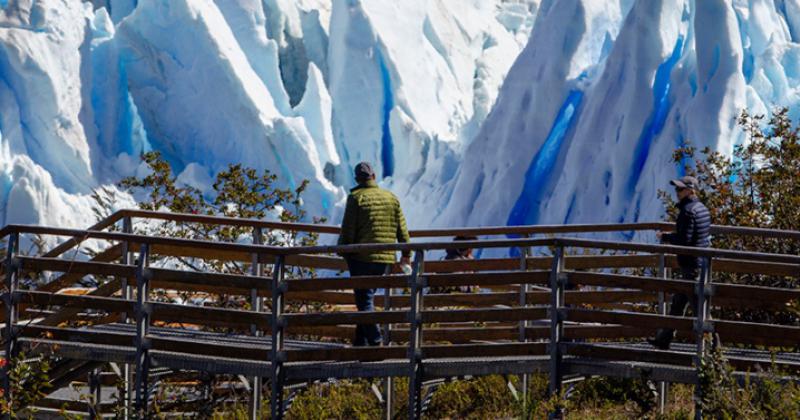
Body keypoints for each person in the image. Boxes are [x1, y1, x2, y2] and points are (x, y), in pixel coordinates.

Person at [338, 162, 411, 346]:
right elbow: (402, 231)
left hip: (361, 258)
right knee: (366, 298)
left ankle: (376, 340)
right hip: (385, 259)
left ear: (357, 179)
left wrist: (343, 250)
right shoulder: (391, 198)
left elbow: (348, 230)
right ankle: (360, 345)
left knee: (364, 301)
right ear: (374, 175)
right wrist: (406, 254)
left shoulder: (356, 198)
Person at [648, 175, 711, 350]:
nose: (677, 192)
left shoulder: (688, 211)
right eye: (676, 189)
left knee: (700, 310)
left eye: (680, 189)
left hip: (690, 265)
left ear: (691, 190)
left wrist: (666, 237)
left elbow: (685, 239)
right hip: (700, 264)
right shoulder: (702, 208)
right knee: (678, 304)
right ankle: (664, 339)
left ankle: (715, 349)